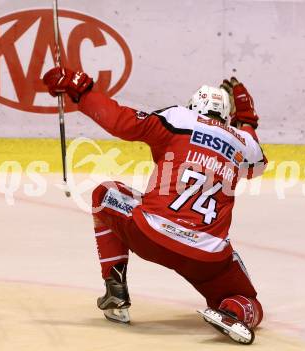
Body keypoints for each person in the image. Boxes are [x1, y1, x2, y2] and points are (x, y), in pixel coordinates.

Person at [43, 68, 267, 344]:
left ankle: (115, 290)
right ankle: (234, 310)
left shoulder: (178, 118)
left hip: (152, 234)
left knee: (105, 194)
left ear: (193, 106)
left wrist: (84, 92)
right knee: (250, 301)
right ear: (226, 116)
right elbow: (256, 167)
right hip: (207, 256)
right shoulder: (244, 144)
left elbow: (120, 122)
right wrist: (246, 119)